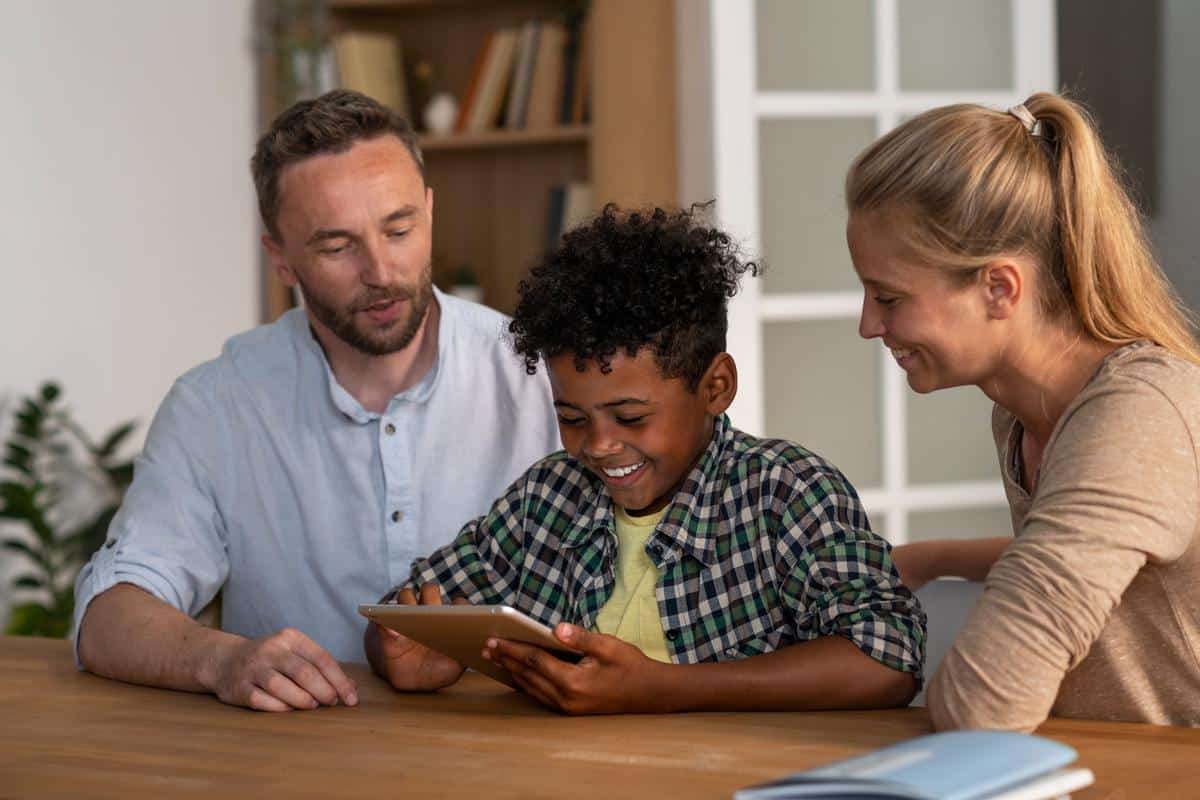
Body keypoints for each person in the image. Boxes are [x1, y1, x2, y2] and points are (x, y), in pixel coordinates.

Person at [73, 90, 560, 712]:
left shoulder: (539, 373)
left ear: (430, 213)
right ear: (280, 257)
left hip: (514, 753)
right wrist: (221, 659)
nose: (381, 270)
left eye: (400, 228)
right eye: (337, 247)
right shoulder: (216, 403)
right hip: (295, 761)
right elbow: (109, 615)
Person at [366, 205, 925, 714]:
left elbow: (888, 658)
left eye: (630, 417)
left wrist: (662, 687)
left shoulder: (787, 495)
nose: (599, 445)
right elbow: (401, 612)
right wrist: (405, 651)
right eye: (573, 418)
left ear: (717, 386)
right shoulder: (545, 500)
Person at [844, 92, 1200, 730]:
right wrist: (932, 558)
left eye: (889, 297)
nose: (869, 325)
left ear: (999, 288)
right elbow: (1089, 552)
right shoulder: (1019, 414)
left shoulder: (1139, 415)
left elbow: (985, 708)